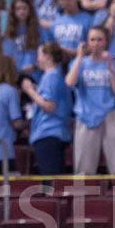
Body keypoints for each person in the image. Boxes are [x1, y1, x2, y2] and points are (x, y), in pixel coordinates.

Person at [66, 27, 115, 175]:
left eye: (100, 39)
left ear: (106, 42)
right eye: (92, 39)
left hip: (110, 115)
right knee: (83, 167)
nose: (96, 43)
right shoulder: (79, 63)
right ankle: (81, 197)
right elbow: (70, 82)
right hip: (86, 116)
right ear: (87, 42)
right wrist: (79, 56)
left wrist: (110, 67)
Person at [21, 42, 72, 174]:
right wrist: (36, 91)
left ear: (48, 57)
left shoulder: (51, 76)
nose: (37, 59)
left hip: (48, 133)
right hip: (56, 133)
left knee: (51, 181)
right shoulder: (55, 76)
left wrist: (29, 91)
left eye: (39, 55)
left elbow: (49, 105)